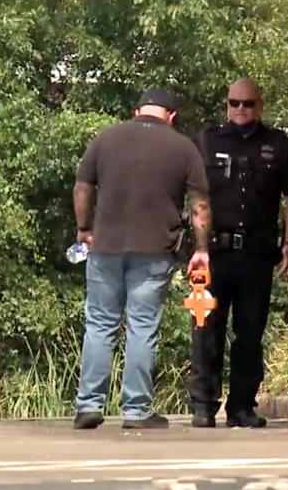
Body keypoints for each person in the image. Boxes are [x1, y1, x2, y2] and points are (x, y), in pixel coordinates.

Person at [73, 88, 212, 430]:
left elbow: (82, 187)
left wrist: (84, 229)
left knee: (100, 325)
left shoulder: (105, 138)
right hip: (154, 250)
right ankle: (136, 411)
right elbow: (200, 205)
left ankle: (89, 405)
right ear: (171, 116)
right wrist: (201, 248)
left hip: (105, 247)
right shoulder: (183, 148)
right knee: (142, 328)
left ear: (137, 110)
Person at [188, 78, 288, 428]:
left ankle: (242, 407)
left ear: (259, 105)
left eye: (248, 104)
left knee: (250, 333)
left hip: (257, 254)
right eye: (234, 103)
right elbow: (188, 189)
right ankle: (203, 405)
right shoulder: (206, 141)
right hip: (213, 253)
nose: (240, 109)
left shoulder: (278, 144)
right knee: (205, 328)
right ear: (226, 105)